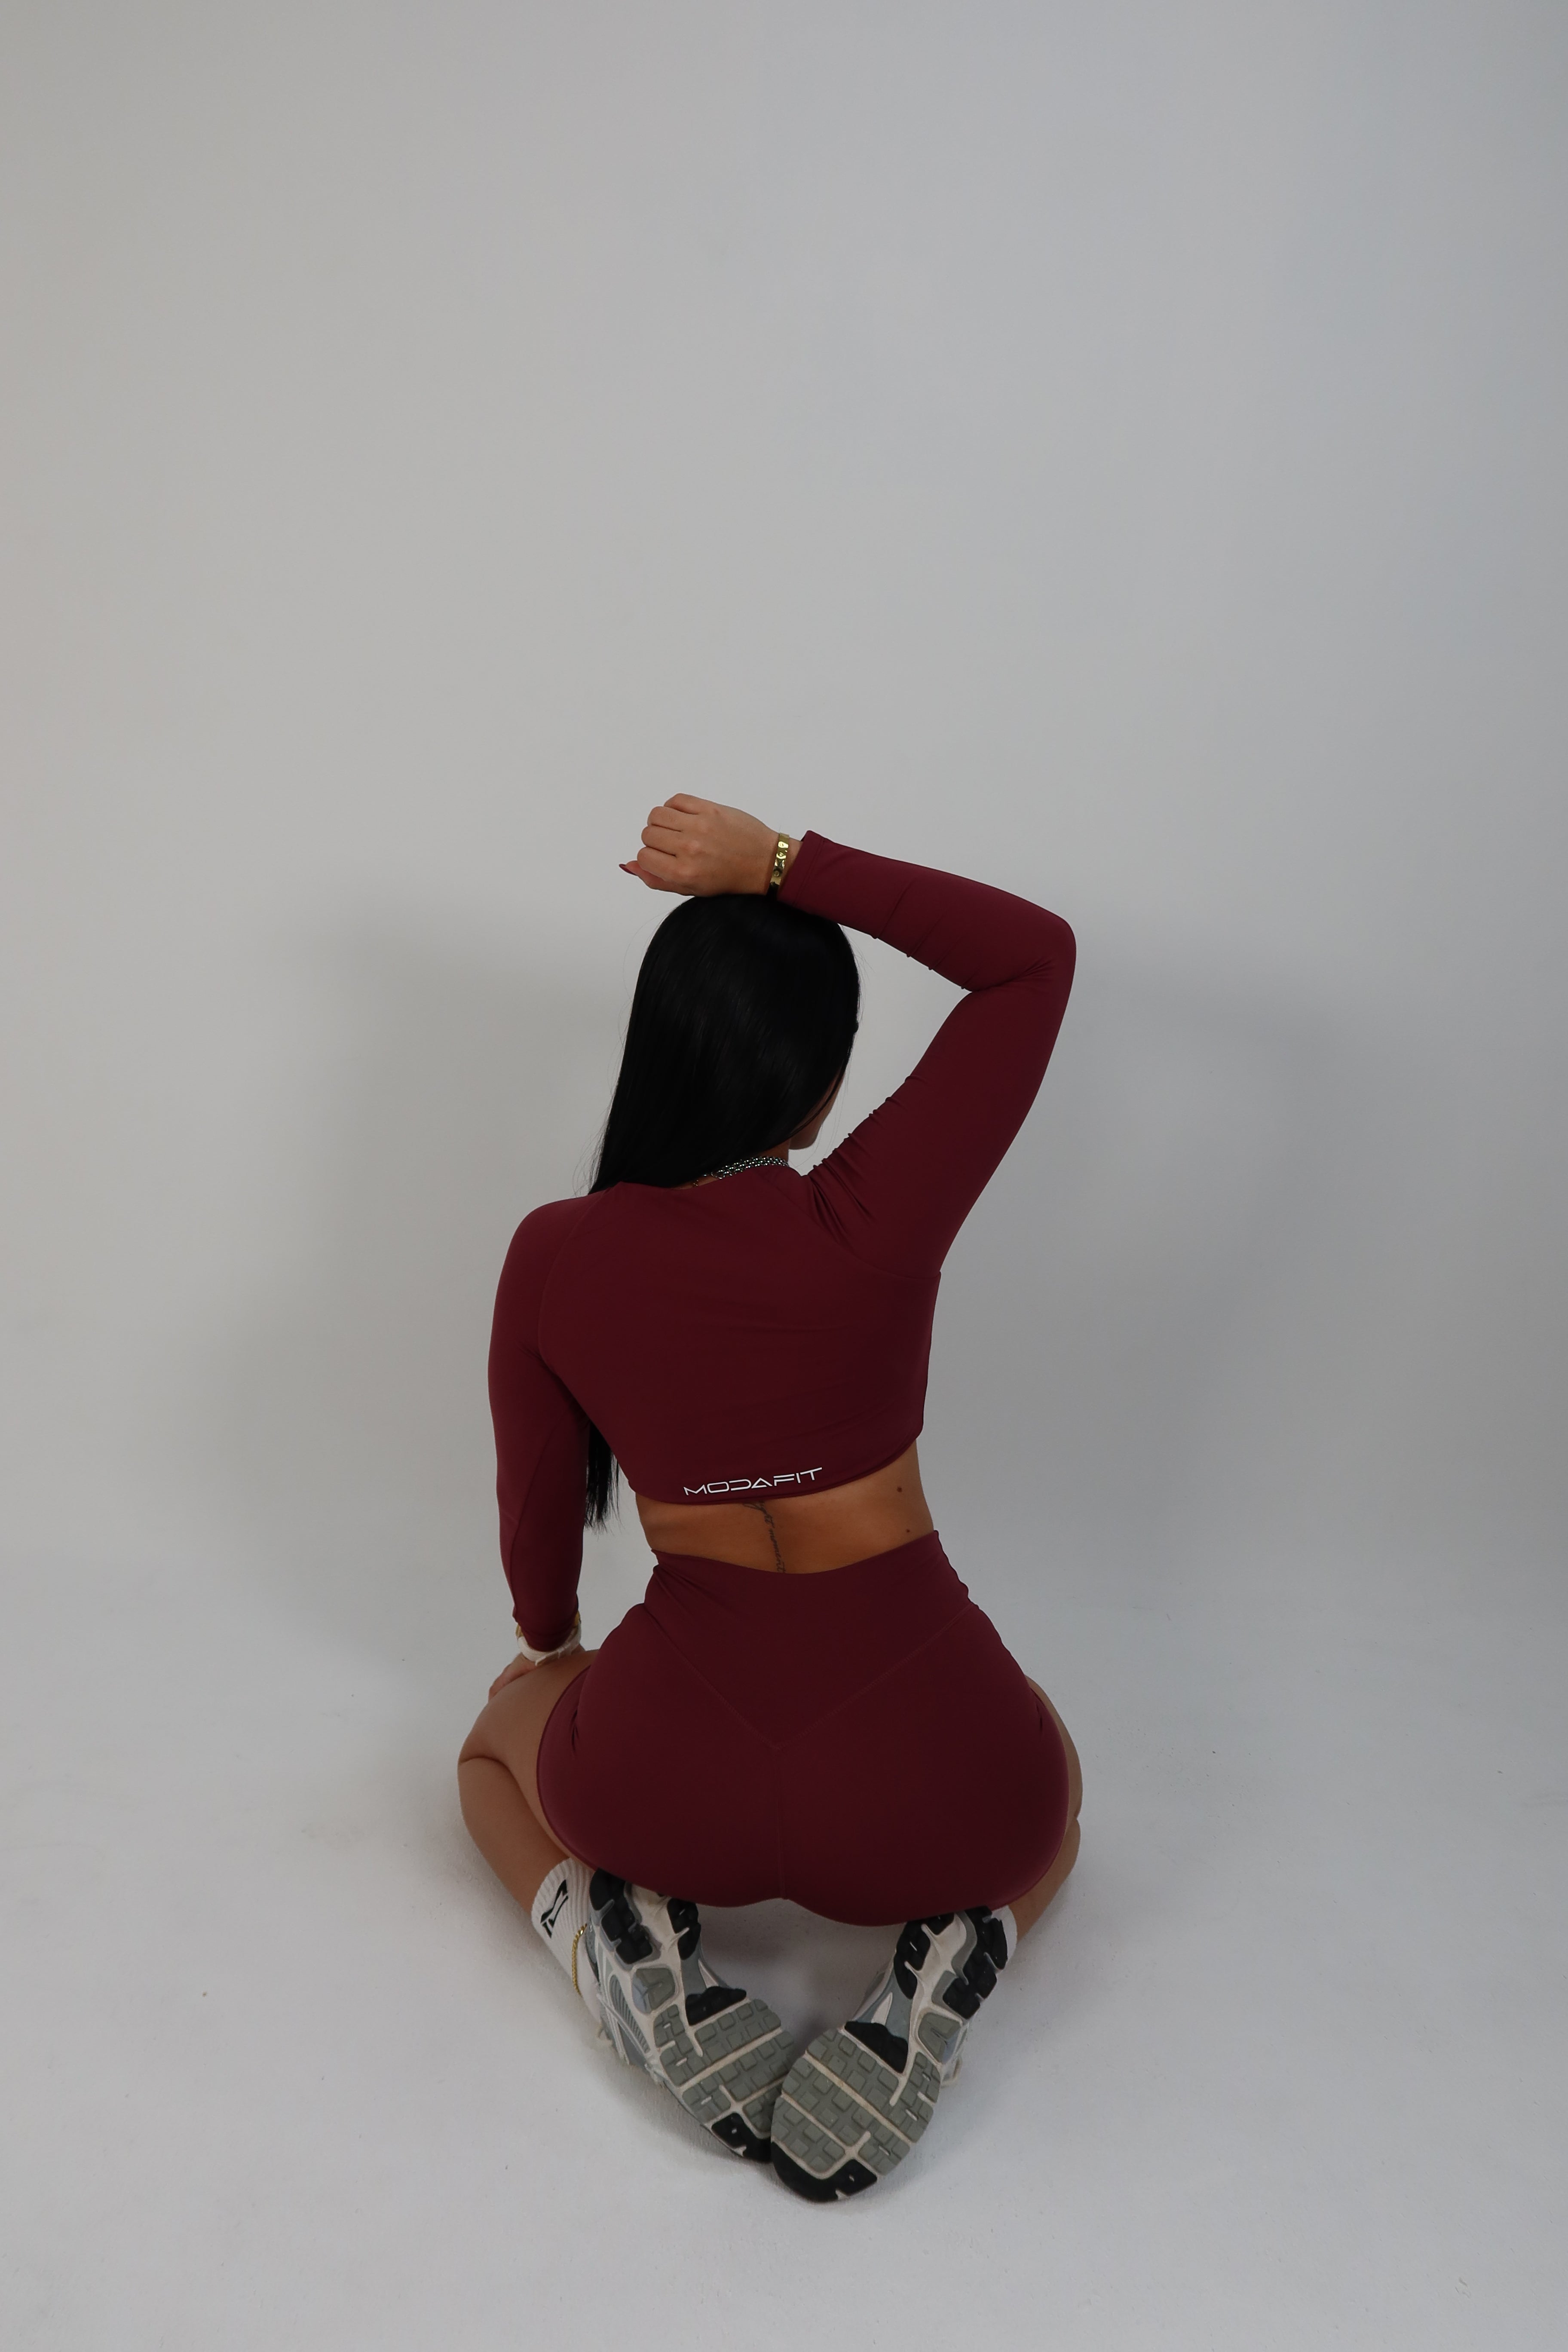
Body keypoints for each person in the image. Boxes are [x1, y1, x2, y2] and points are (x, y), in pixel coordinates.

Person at [459, 796, 1083, 2202]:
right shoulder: (875, 1212)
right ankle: (954, 1960)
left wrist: (549, 1647)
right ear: (820, 1078)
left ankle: (611, 1949)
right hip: (925, 1781)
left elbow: (536, 1505)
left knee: (488, 1757)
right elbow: (1031, 957)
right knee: (1054, 1782)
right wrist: (790, 864)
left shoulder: (554, 1254)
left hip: (666, 1781)